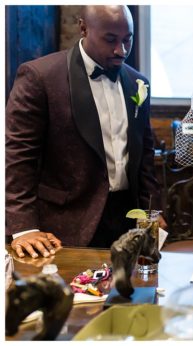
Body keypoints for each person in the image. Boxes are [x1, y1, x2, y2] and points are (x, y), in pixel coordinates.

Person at [6, 6, 160, 257]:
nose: (121, 50)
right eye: (110, 39)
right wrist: (24, 228)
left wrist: (153, 212)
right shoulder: (40, 76)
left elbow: (145, 156)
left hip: (127, 222)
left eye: (127, 40)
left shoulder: (138, 82)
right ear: (84, 28)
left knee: (128, 294)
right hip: (62, 224)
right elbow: (17, 157)